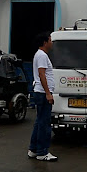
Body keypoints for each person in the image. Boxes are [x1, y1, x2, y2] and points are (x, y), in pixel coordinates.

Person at [27, 32, 58, 161]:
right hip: (42, 93)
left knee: (39, 122)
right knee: (44, 123)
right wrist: (48, 93)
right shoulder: (42, 56)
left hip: (41, 92)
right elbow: (42, 74)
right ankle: (42, 152)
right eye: (50, 40)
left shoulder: (41, 55)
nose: (51, 43)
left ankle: (33, 149)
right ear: (45, 42)